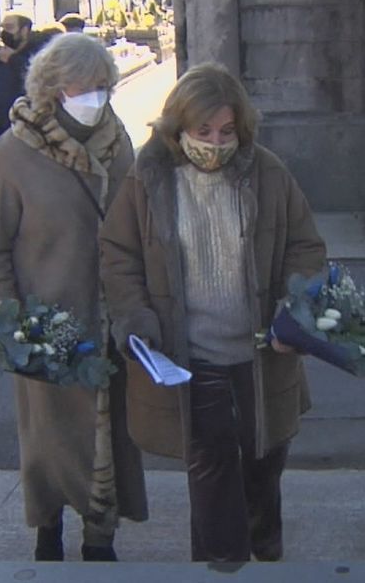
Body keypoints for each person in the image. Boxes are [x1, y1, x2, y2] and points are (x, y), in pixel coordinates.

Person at [100, 62, 327, 563]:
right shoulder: (149, 176)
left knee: (264, 464)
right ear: (178, 126)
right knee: (212, 468)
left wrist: (297, 308)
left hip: (263, 351)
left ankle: (265, 558)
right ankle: (219, 567)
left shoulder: (267, 172)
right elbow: (118, 255)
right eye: (203, 131)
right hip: (189, 356)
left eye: (227, 131)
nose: (215, 142)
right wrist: (135, 317)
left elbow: (305, 247)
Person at [0, 32, 147, 562]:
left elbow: (136, 228)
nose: (98, 96)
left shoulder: (118, 142)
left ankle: (101, 537)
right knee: (49, 443)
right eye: (87, 86)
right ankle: (48, 529)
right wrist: (7, 320)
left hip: (109, 323)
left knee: (111, 440)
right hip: (47, 325)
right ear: (54, 88)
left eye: (105, 86)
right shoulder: (15, 152)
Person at [0, 11, 39, 145]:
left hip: (30, 132)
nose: (4, 33)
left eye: (9, 28)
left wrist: (13, 60)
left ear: (24, 30)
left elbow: (36, 80)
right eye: (2, 28)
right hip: (2, 132)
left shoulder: (39, 56)